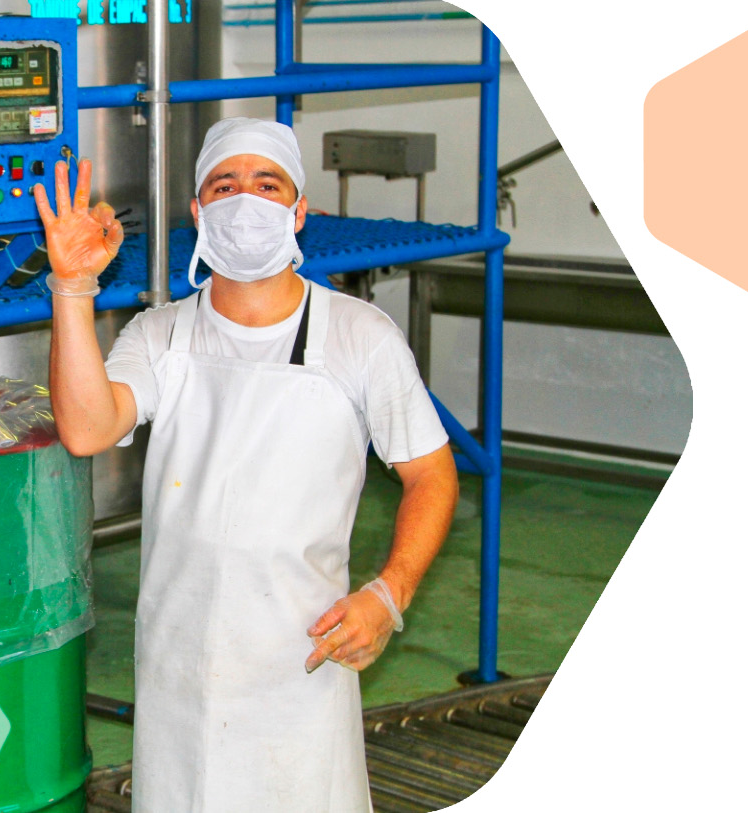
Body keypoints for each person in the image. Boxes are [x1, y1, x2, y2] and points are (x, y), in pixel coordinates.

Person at [34, 117, 460, 812]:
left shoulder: (359, 336)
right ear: (198, 210)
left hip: (302, 655)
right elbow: (85, 429)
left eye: (267, 185)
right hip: (179, 661)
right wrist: (72, 288)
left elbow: (430, 473)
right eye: (224, 185)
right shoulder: (162, 333)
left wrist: (389, 594)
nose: (244, 200)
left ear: (298, 210)